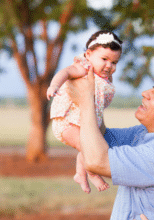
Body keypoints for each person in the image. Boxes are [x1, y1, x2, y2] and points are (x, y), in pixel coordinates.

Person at [67, 68, 154, 219]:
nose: (145, 93)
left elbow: (96, 161)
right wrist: (97, 95)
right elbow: (100, 138)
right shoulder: (145, 133)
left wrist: (85, 100)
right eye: (153, 87)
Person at [47, 30, 122, 193]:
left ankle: (80, 174)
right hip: (67, 123)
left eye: (114, 62)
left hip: (84, 123)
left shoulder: (104, 76)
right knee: (89, 149)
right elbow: (65, 72)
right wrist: (54, 85)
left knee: (89, 146)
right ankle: (92, 174)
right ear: (88, 54)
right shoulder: (84, 68)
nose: (109, 66)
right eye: (104, 59)